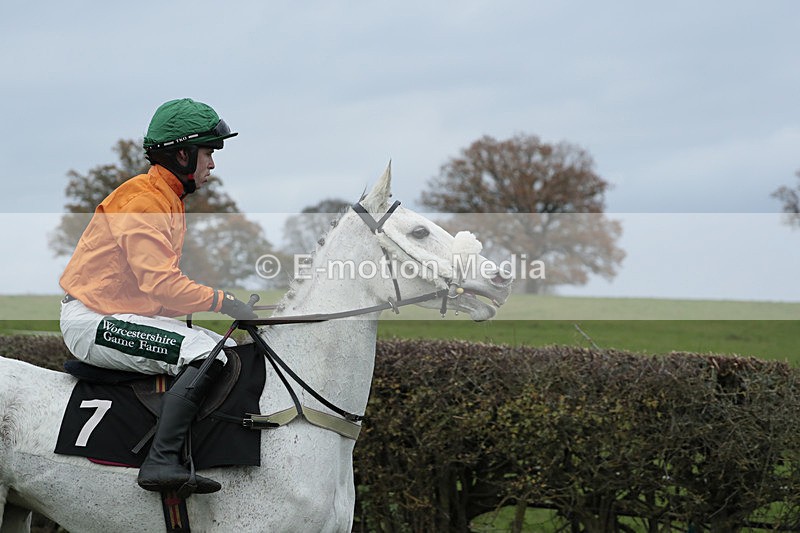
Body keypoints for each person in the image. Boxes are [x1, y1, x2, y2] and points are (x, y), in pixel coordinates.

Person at [59, 98, 257, 496]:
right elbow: (161, 285)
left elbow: (157, 295)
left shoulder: (165, 198)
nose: (212, 165)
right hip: (93, 322)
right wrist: (222, 300)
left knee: (224, 346)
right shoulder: (146, 203)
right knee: (207, 355)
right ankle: (161, 461)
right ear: (182, 154)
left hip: (116, 315)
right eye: (207, 153)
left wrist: (217, 308)